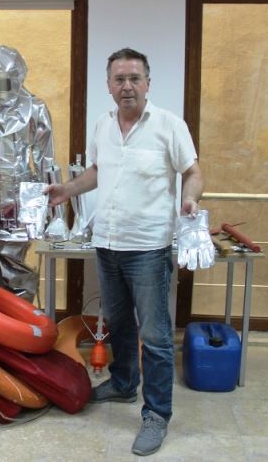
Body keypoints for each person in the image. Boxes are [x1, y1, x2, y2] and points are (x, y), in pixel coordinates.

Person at [45, 48, 203, 456]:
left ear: (148, 83)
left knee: (156, 335)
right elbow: (99, 172)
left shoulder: (169, 125)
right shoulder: (102, 125)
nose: (127, 86)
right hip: (108, 244)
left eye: (135, 78)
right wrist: (67, 190)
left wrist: (189, 198)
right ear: (109, 85)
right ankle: (123, 383)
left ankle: (157, 414)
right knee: (118, 324)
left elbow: (192, 172)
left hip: (148, 247)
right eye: (119, 79)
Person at [0, 45, 55, 299]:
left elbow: (45, 161)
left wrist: (54, 213)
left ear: (17, 78)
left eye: (4, 82)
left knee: (14, 265)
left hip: (21, 198)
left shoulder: (34, 109)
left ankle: (20, 318)